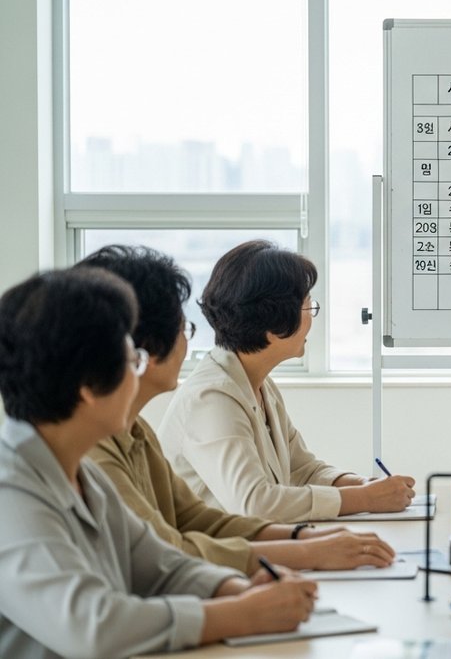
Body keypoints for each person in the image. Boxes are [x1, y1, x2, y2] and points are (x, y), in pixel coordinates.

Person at [0, 268, 317, 656]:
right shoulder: (10, 493)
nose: (138, 374)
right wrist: (242, 613)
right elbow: (94, 626)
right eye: (132, 360)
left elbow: (159, 564)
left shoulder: (82, 475)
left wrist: (236, 589)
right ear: (88, 388)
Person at [78, 245, 397, 575]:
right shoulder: (209, 396)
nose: (187, 341)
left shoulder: (139, 430)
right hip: (204, 578)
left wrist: (312, 530)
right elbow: (180, 544)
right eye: (182, 327)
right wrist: (310, 545)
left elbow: (197, 519)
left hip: (210, 574)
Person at [159, 240, 415, 522]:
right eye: (308, 308)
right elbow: (255, 503)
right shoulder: (211, 398)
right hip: (213, 559)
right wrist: (365, 499)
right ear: (274, 325)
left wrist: (365, 486)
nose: (311, 320)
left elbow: (302, 470)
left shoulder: (258, 383)